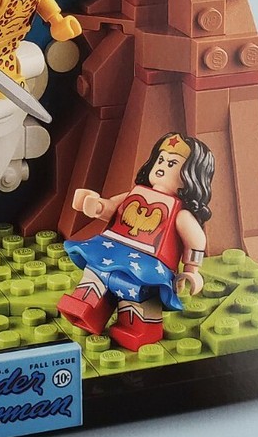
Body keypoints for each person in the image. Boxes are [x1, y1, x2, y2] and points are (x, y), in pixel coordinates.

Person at [57, 132, 216, 351]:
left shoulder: (180, 213)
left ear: (190, 176)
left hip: (148, 265)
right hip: (112, 249)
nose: (162, 167)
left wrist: (192, 270)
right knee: (96, 272)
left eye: (172, 164)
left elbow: (196, 239)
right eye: (161, 160)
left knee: (136, 291)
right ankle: (85, 308)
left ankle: (138, 328)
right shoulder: (135, 194)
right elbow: (111, 208)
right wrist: (94, 205)